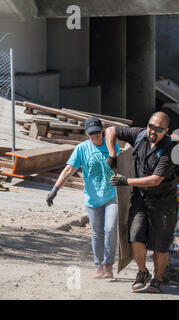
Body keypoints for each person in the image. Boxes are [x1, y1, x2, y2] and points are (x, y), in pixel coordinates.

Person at [105, 111, 179, 293]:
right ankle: (142, 272)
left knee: (161, 245)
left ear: (166, 131)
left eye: (158, 129)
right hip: (141, 198)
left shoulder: (170, 150)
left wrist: (126, 181)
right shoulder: (139, 135)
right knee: (135, 235)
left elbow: (155, 180)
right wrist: (112, 154)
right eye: (151, 126)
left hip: (164, 201)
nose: (153, 131)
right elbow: (110, 130)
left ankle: (158, 279)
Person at [46, 117, 121, 279]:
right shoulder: (81, 149)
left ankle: (108, 264)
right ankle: (98, 265)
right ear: (87, 134)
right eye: (91, 133)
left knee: (110, 228)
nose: (94, 136)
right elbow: (68, 170)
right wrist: (54, 190)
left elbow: (123, 166)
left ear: (102, 130)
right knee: (97, 233)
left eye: (97, 132)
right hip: (93, 198)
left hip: (111, 194)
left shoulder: (112, 145)